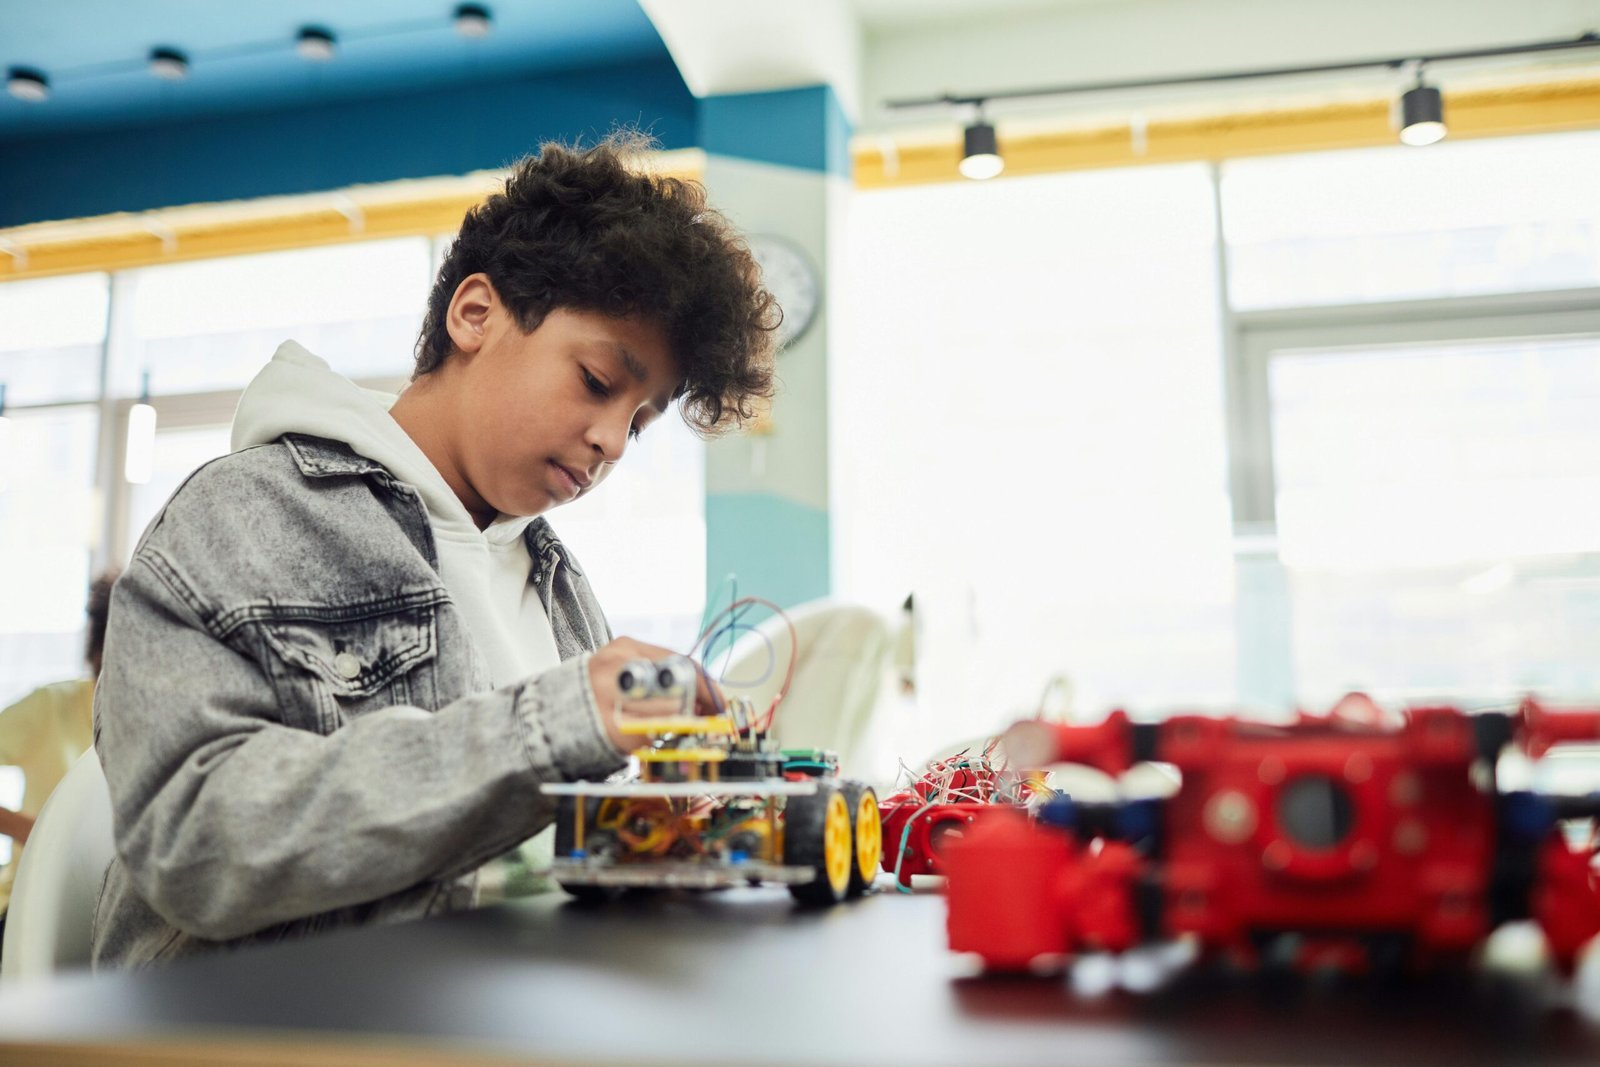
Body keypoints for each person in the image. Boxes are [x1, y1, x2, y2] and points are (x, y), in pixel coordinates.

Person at [91, 132, 777, 968]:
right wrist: (554, 725)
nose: (611, 441)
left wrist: (681, 834)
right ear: (475, 314)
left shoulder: (557, 583)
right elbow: (196, 844)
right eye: (598, 382)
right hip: (286, 1019)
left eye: (638, 421)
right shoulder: (241, 518)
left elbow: (542, 862)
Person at [0, 570, 118, 942]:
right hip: (28, 910)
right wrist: (38, 833)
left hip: (104, 918)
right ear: (99, 651)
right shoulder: (50, 706)